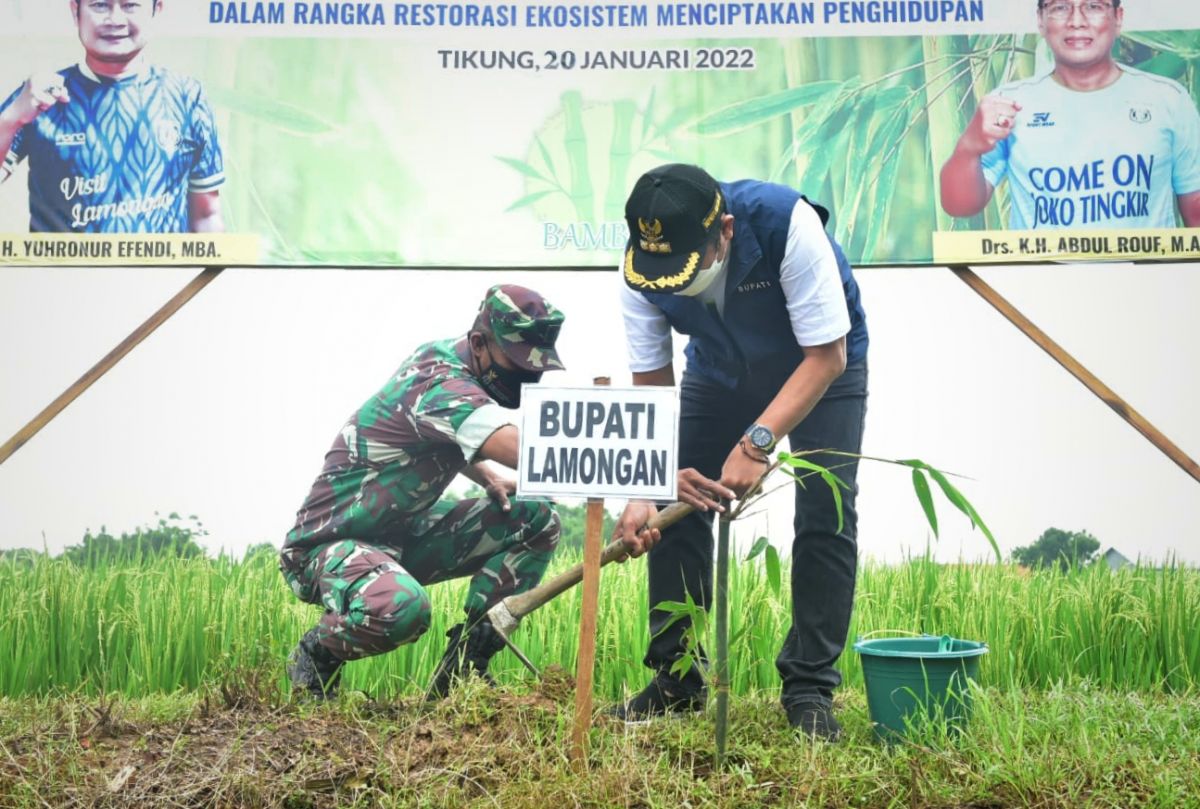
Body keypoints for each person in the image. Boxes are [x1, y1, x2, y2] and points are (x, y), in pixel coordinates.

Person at [612, 163, 869, 740]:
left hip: (822, 365)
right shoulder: (641, 270)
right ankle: (678, 680)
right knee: (674, 494)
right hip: (720, 369)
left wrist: (758, 441)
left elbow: (827, 356)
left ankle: (809, 688)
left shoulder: (786, 225)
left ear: (724, 230)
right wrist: (642, 485)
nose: (673, 286)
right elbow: (651, 385)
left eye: (685, 270)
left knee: (826, 507)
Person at [280, 285, 566, 700]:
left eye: (536, 367)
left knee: (536, 518)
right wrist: (640, 476)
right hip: (327, 547)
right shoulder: (440, 382)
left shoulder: (448, 364)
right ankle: (317, 653)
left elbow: (439, 431)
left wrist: (486, 476)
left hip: (399, 536)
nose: (528, 376)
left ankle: (466, 666)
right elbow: (517, 447)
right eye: (518, 363)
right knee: (402, 608)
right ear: (479, 344)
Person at [940, 0, 1200, 230]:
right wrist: (968, 148)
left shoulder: (1168, 99)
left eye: (1094, 7)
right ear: (1040, 21)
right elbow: (959, 205)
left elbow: (1195, 210)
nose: (1077, 21)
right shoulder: (1010, 104)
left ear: (1118, 18)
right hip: (1041, 280)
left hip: (1144, 280)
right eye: (1060, 8)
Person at [0, 0, 225, 233]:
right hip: (61, 270)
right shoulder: (38, 95)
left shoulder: (187, 97)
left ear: (156, 10)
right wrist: (11, 119)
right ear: (75, 10)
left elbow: (207, 216)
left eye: (130, 5)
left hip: (161, 270)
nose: (115, 19)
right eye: (100, 5)